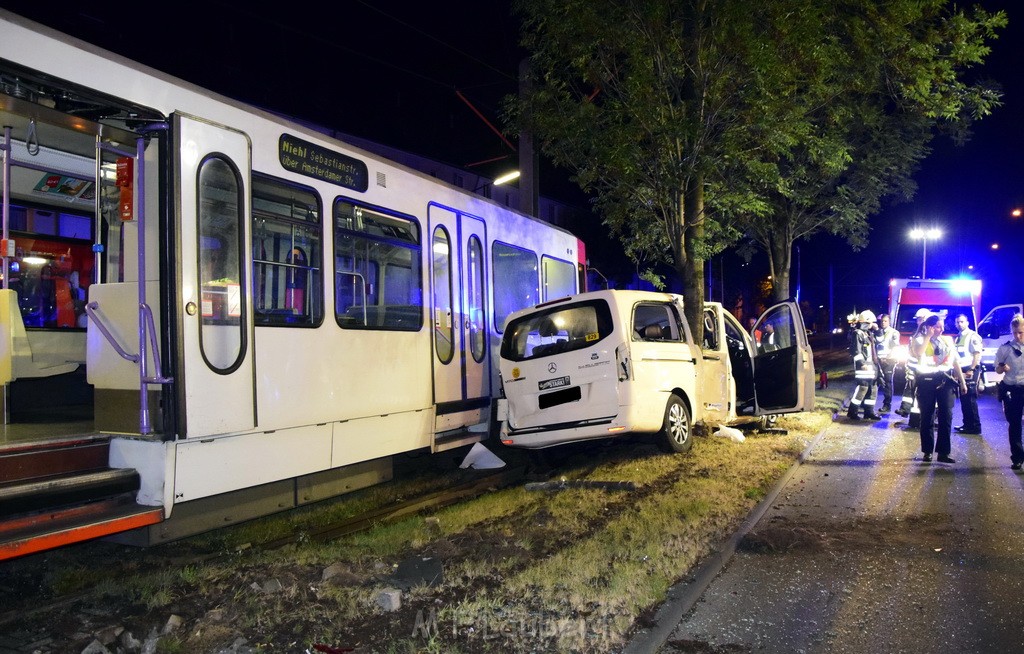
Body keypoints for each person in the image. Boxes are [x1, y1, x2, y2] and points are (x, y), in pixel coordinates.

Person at [912, 313, 967, 463]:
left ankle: (943, 453)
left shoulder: (948, 340)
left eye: (942, 326)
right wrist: (928, 337)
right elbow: (918, 353)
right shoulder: (919, 339)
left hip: (946, 381)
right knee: (927, 416)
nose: (941, 329)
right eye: (938, 327)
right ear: (930, 327)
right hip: (926, 381)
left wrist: (962, 382)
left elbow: (955, 362)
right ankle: (927, 452)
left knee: (946, 417)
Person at [994, 313, 1024, 470]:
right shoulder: (1006, 348)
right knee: (1015, 423)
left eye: (1021, 332)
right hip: (1012, 388)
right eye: (1015, 332)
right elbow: (997, 370)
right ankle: (1018, 457)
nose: (1018, 336)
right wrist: (1001, 367)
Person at [897, 307, 934, 428]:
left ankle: (920, 419)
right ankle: (912, 418)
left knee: (920, 395)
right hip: (915, 368)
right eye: (918, 319)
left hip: (925, 370)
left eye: (920, 319)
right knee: (913, 392)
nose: (918, 322)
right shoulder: (918, 334)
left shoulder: (928, 335)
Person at [847, 310, 881, 421]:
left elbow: (880, 342)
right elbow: (856, 351)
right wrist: (862, 364)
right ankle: (852, 412)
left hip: (873, 366)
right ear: (865, 322)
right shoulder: (857, 333)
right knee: (862, 389)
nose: (873, 324)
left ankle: (869, 412)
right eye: (871, 322)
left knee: (873, 389)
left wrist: (878, 330)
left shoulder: (869, 333)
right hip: (864, 367)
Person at [953, 313, 984, 435]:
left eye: (962, 322)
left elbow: (977, 354)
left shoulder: (972, 336)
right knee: (964, 398)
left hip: (970, 369)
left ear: (967, 323)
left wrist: (972, 369)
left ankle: (975, 427)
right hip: (962, 369)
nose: (959, 324)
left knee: (970, 398)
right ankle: (967, 425)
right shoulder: (959, 337)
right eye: (957, 322)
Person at [873, 313, 900, 414]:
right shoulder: (877, 332)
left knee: (887, 382)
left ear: (889, 322)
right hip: (878, 360)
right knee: (875, 381)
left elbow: (895, 347)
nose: (883, 323)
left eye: (885, 321)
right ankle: (869, 404)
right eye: (882, 321)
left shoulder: (894, 333)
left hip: (889, 361)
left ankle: (887, 405)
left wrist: (888, 358)